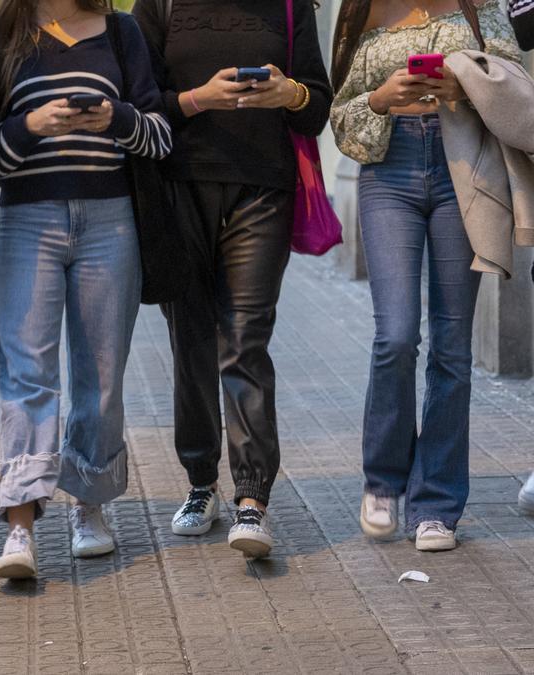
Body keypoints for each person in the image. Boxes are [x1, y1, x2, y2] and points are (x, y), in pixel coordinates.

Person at [134, 0, 332, 559]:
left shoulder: (291, 4)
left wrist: (288, 93)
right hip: (179, 188)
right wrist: (200, 100)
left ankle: (252, 498)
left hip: (264, 189)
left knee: (244, 340)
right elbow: (141, 105)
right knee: (191, 339)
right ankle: (201, 483)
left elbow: (316, 106)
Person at [0, 0, 170, 579]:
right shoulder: (3, 33)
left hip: (110, 221)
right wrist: (32, 125)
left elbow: (160, 135)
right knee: (26, 371)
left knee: (102, 373)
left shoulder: (121, 31)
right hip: (27, 221)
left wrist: (113, 119)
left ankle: (90, 507)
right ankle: (19, 522)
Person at [330, 0, 521, 552]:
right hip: (389, 172)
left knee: (452, 347)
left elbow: (515, 85)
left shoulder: (479, 8)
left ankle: (435, 504)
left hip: (465, 167)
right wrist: (379, 99)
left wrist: (462, 88)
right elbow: (341, 116)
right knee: (395, 335)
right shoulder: (362, 12)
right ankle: (383, 484)